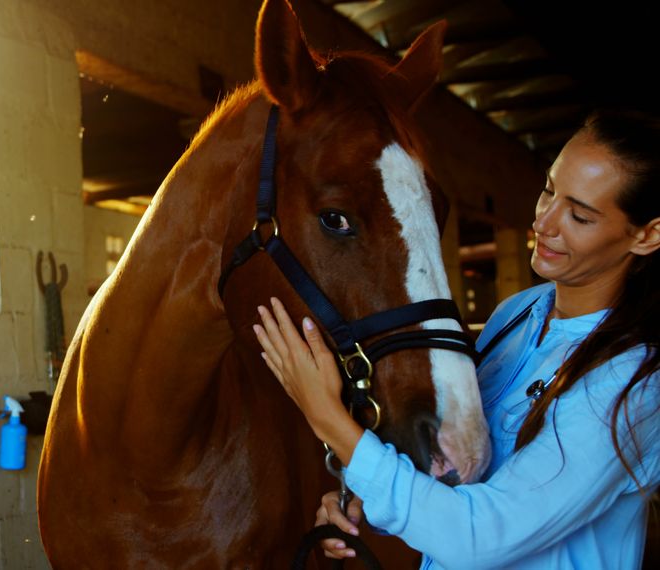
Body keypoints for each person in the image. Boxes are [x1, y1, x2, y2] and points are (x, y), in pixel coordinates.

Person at [253, 109, 660, 569]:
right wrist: (367, 501)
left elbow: (482, 536)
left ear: (648, 235)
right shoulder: (517, 314)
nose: (545, 222)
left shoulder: (634, 382)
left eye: (580, 216)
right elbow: (458, 475)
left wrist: (329, 421)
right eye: (549, 190)